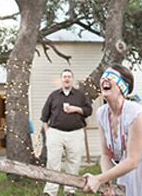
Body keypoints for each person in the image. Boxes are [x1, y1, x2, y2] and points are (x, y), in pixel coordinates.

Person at [83, 64, 142, 196]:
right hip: (125, 173)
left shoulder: (136, 114)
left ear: (123, 86)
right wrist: (107, 183)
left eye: (111, 76)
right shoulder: (101, 114)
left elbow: (133, 161)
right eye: (103, 76)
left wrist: (98, 179)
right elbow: (105, 154)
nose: (105, 79)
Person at [41, 68, 93, 196]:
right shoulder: (53, 95)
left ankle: (70, 190)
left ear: (72, 79)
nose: (67, 79)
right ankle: (50, 191)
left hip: (75, 133)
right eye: (64, 77)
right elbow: (44, 116)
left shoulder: (80, 95)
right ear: (61, 79)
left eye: (69, 76)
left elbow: (88, 111)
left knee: (73, 162)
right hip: (55, 133)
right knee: (53, 162)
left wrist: (76, 109)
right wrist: (48, 133)